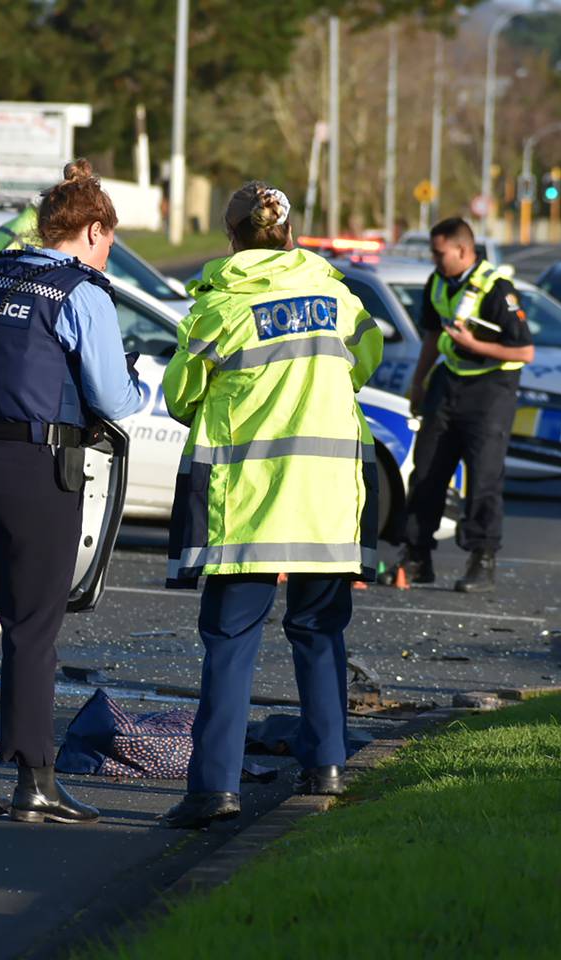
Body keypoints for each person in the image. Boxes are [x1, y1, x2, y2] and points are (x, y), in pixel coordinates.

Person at [0, 159, 146, 824]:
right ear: (94, 230)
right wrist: (135, 387)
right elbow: (111, 397)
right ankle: (35, 780)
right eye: (108, 241)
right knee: (30, 629)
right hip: (34, 470)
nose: (109, 256)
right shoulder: (82, 294)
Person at [158, 181, 383, 830]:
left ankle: (213, 791)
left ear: (232, 238)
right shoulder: (339, 299)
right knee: (319, 632)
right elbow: (361, 365)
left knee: (230, 642)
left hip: (248, 505)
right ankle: (327, 766)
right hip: (327, 500)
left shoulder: (219, 310)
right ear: (290, 235)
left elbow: (179, 398)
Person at [380, 217, 535, 593]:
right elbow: (433, 336)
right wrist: (418, 383)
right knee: (427, 470)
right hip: (448, 382)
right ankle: (416, 557)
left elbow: (525, 351)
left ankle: (482, 559)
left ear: (462, 250)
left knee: (483, 476)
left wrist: (474, 346)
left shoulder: (497, 289)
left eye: (439, 252)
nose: (434, 259)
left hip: (491, 388)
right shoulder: (439, 282)